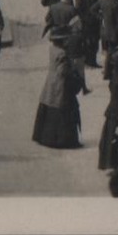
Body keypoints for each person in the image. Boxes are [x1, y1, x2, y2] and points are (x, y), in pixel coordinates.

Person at [32, 21, 86, 149]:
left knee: (50, 107)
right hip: (61, 86)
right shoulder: (63, 54)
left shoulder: (53, 49)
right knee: (64, 110)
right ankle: (63, 140)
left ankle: (45, 137)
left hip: (50, 83)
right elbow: (63, 72)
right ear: (63, 40)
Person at [75, 0, 101, 68]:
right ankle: (88, 62)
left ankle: (93, 61)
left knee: (95, 43)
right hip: (87, 25)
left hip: (95, 24)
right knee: (88, 44)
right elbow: (78, 12)